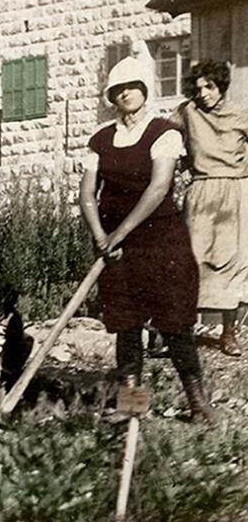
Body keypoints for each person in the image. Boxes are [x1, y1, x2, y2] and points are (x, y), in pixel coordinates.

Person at [79, 56, 216, 425]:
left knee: (175, 323)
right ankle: (132, 405)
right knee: (126, 326)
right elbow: (87, 194)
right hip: (115, 249)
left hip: (161, 242)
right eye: (118, 89)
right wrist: (101, 236)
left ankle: (197, 404)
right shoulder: (100, 139)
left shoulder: (164, 133)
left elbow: (158, 188)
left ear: (145, 90)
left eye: (133, 87)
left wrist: (119, 233)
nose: (126, 93)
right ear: (111, 96)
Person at [175, 59, 248, 357]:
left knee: (234, 262)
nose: (203, 93)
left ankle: (228, 334)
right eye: (198, 88)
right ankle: (182, 332)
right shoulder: (187, 112)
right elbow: (165, 137)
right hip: (202, 192)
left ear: (222, 86)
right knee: (192, 260)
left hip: (236, 192)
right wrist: (180, 163)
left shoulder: (240, 115)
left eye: (210, 86)